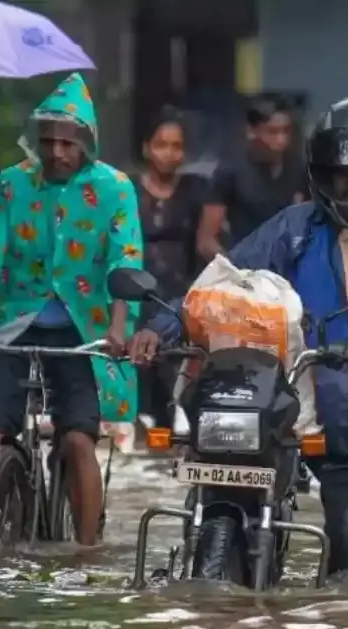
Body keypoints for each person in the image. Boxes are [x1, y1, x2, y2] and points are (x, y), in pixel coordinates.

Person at [133, 96, 348, 579]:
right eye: (340, 173)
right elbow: (225, 285)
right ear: (319, 173)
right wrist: (160, 329)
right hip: (335, 429)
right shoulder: (294, 229)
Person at [0, 74, 143, 547]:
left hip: (86, 331)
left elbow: (126, 259)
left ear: (86, 142)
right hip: (12, 325)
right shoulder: (11, 184)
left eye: (67, 142)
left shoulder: (115, 188)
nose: (57, 152)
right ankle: (14, 509)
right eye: (48, 142)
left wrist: (119, 329)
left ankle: (86, 552)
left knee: (78, 439)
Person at [134, 105, 211, 427]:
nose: (169, 153)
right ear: (146, 148)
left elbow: (205, 242)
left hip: (178, 292)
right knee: (137, 369)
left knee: (176, 377)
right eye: (161, 145)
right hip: (133, 290)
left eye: (177, 146)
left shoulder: (196, 190)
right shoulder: (126, 188)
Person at [195, 93, 307, 258]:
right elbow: (207, 241)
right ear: (252, 131)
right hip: (243, 262)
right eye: (272, 132)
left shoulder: (297, 167)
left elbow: (306, 223)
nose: (281, 140)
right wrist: (234, 270)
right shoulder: (231, 169)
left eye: (286, 132)